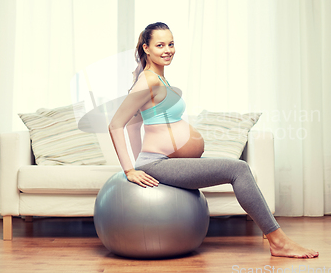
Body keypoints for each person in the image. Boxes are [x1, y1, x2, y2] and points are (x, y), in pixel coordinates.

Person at [108, 22, 319, 259]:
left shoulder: (158, 78)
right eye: (160, 45)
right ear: (146, 48)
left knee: (236, 169)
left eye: (171, 43)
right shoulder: (148, 80)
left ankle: (278, 239)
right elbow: (116, 124)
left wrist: (140, 161)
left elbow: (136, 124)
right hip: (157, 164)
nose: (168, 50)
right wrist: (131, 169)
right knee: (238, 169)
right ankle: (279, 242)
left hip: (159, 161)